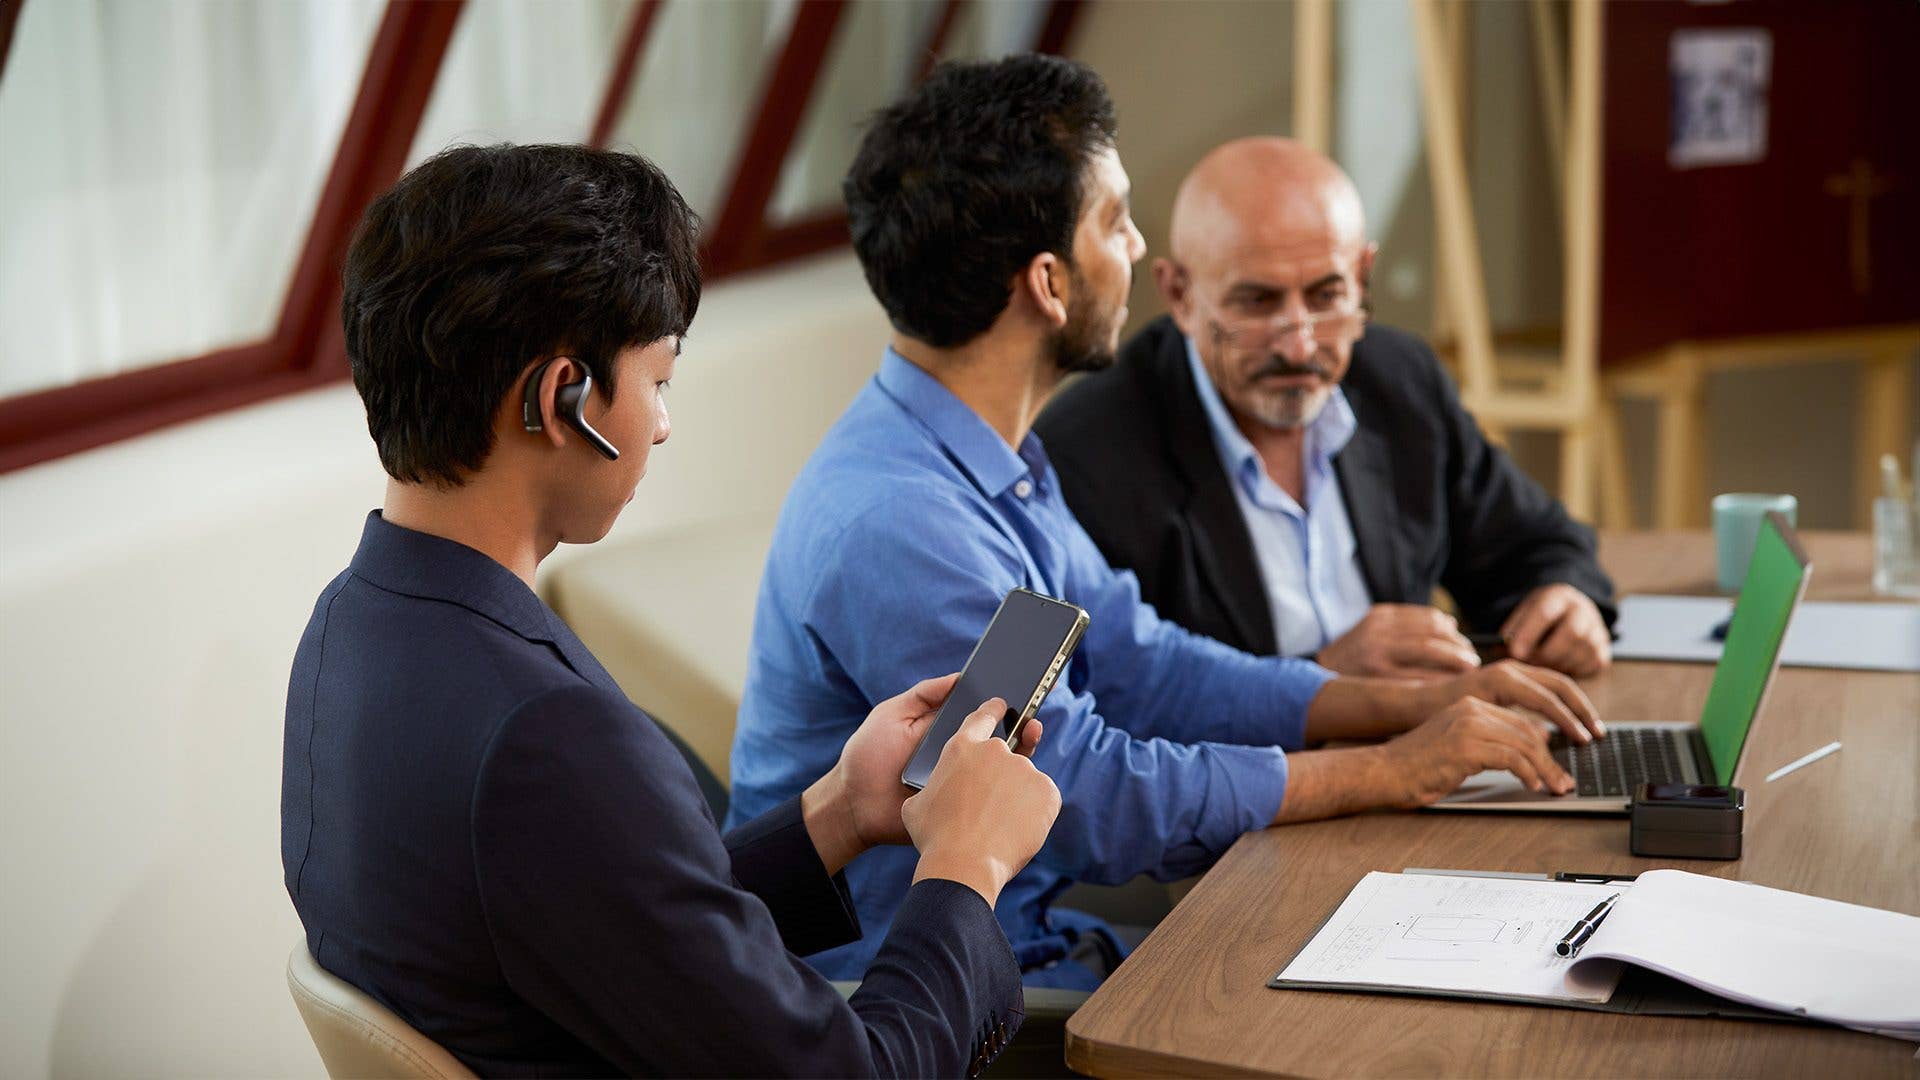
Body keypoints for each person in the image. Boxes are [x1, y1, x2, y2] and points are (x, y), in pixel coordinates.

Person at [728, 56, 1603, 993]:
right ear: (1050, 285)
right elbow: (1084, 800)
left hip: (1033, 942)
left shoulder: (986, 461)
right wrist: (1390, 769)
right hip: (940, 1005)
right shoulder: (907, 525)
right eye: (1117, 221)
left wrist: (1399, 704)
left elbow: (1142, 660)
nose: (1140, 251)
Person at [281, 143, 1061, 1077]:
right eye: (657, 381)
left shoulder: (348, 628)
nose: (660, 423)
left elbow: (620, 923)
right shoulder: (547, 737)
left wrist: (841, 812)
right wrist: (965, 869)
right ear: (557, 399)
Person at [1035, 137, 1616, 680]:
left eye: (1326, 296)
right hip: (1263, 784)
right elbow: (1110, 701)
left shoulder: (1400, 380)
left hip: (1439, 757)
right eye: (1257, 302)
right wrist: (1322, 682)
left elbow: (1537, 542)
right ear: (1180, 296)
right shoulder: (1090, 454)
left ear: (1362, 277)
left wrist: (1564, 597)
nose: (1300, 345)